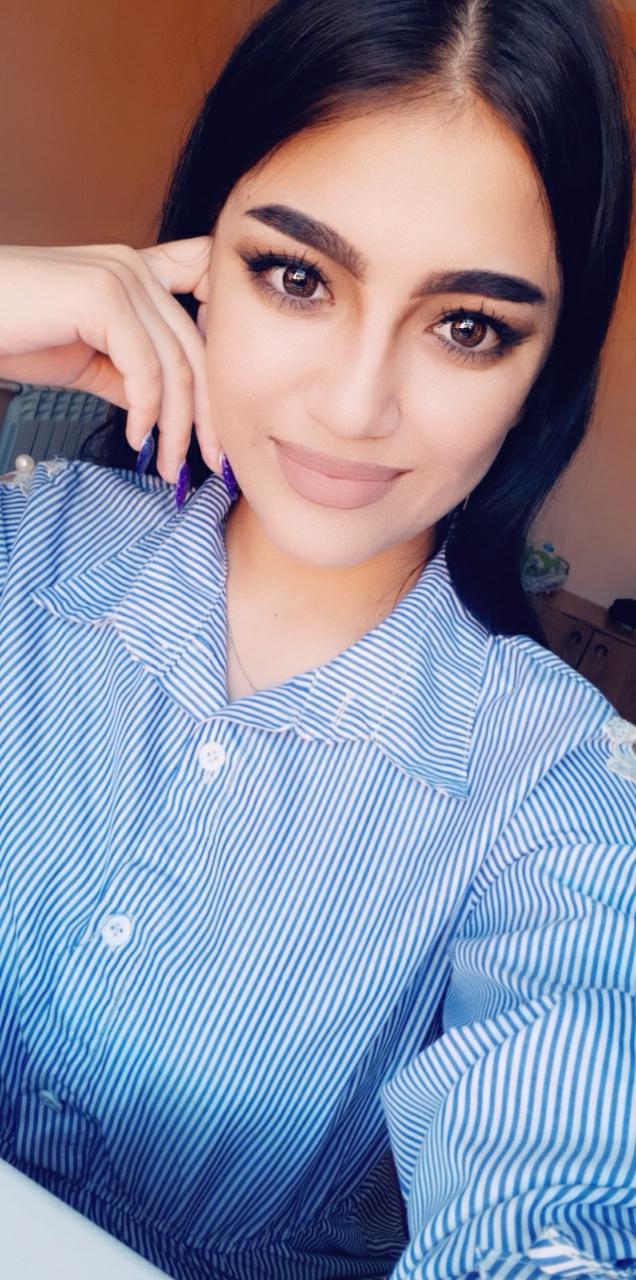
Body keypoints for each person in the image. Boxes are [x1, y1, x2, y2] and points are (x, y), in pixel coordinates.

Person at [0, 0, 634, 1277]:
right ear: (194, 262)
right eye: (296, 276)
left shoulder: (550, 779)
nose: (353, 405)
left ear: (543, 372)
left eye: (468, 325)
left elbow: (554, 1202)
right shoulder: (28, 540)